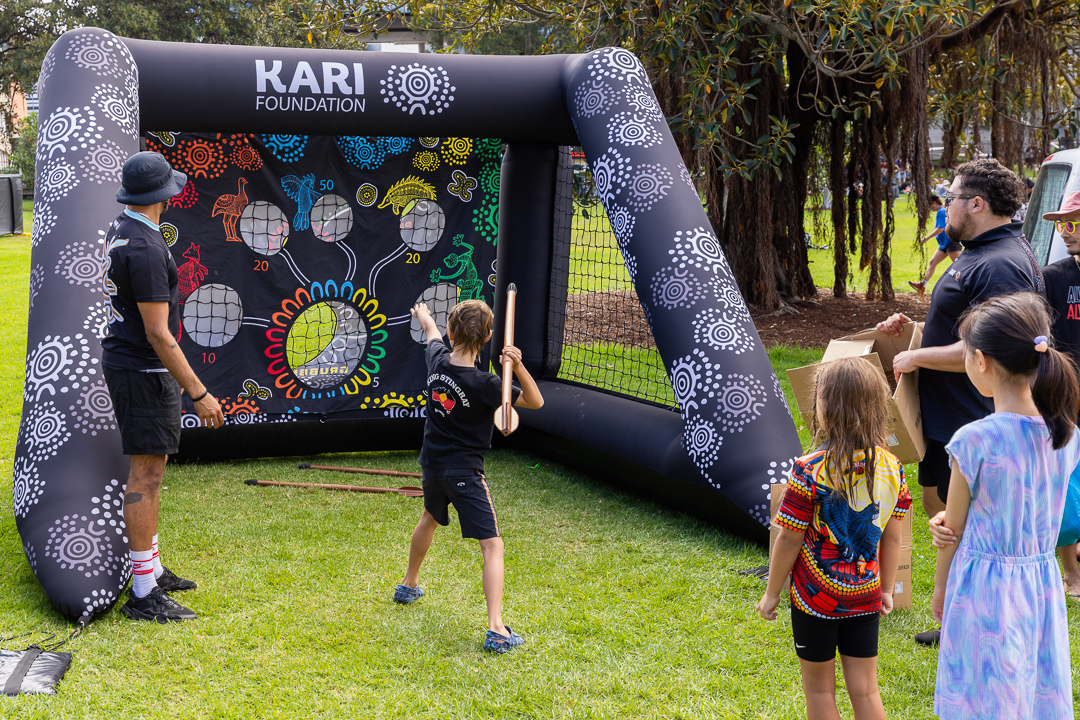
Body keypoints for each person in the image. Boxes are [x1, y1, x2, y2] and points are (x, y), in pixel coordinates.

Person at [877, 158, 1042, 647]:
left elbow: (988, 347)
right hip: (946, 413)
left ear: (977, 204)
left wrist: (915, 356)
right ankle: (961, 615)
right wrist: (912, 329)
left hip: (972, 415)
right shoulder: (979, 251)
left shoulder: (1001, 264)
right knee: (941, 510)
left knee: (966, 521)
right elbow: (962, 325)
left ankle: (967, 621)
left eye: (950, 197)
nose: (943, 206)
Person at [927, 292, 1080, 719]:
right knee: (1032, 693)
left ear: (981, 361)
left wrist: (941, 589)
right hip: (1040, 585)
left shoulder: (974, 440)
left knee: (983, 699)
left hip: (983, 590)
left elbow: (951, 533)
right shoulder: (1067, 434)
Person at [101, 151, 225, 623]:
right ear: (162, 196)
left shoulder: (124, 228)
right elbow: (158, 333)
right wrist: (198, 390)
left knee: (151, 474)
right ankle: (143, 592)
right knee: (146, 478)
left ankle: (150, 569)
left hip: (133, 366)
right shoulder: (147, 249)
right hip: (144, 371)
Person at [757, 357, 911, 720]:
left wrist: (771, 593)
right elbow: (892, 539)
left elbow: (788, 540)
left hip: (816, 599)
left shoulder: (810, 470)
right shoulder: (893, 467)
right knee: (867, 690)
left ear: (823, 405)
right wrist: (886, 589)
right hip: (866, 594)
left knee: (820, 691)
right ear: (878, 406)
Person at [394, 299, 544, 653]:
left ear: (450, 331)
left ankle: (408, 584)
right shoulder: (489, 384)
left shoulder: (436, 361)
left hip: (431, 466)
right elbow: (535, 402)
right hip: (465, 473)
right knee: (493, 546)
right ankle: (496, 629)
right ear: (489, 336)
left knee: (429, 516)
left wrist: (423, 314)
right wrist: (518, 366)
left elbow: (430, 332)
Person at [1029, 190, 1080, 597]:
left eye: (1075, 223)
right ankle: (1073, 574)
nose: (1066, 231)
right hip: (1066, 399)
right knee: (1065, 486)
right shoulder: (1051, 277)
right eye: (1062, 223)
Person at [908, 194, 962, 295]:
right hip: (944, 244)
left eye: (929, 205)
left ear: (934, 202)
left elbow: (940, 228)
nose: (929, 207)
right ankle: (922, 285)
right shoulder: (941, 211)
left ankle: (965, 285)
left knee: (960, 266)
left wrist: (926, 238)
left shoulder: (941, 211)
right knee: (932, 262)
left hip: (951, 243)